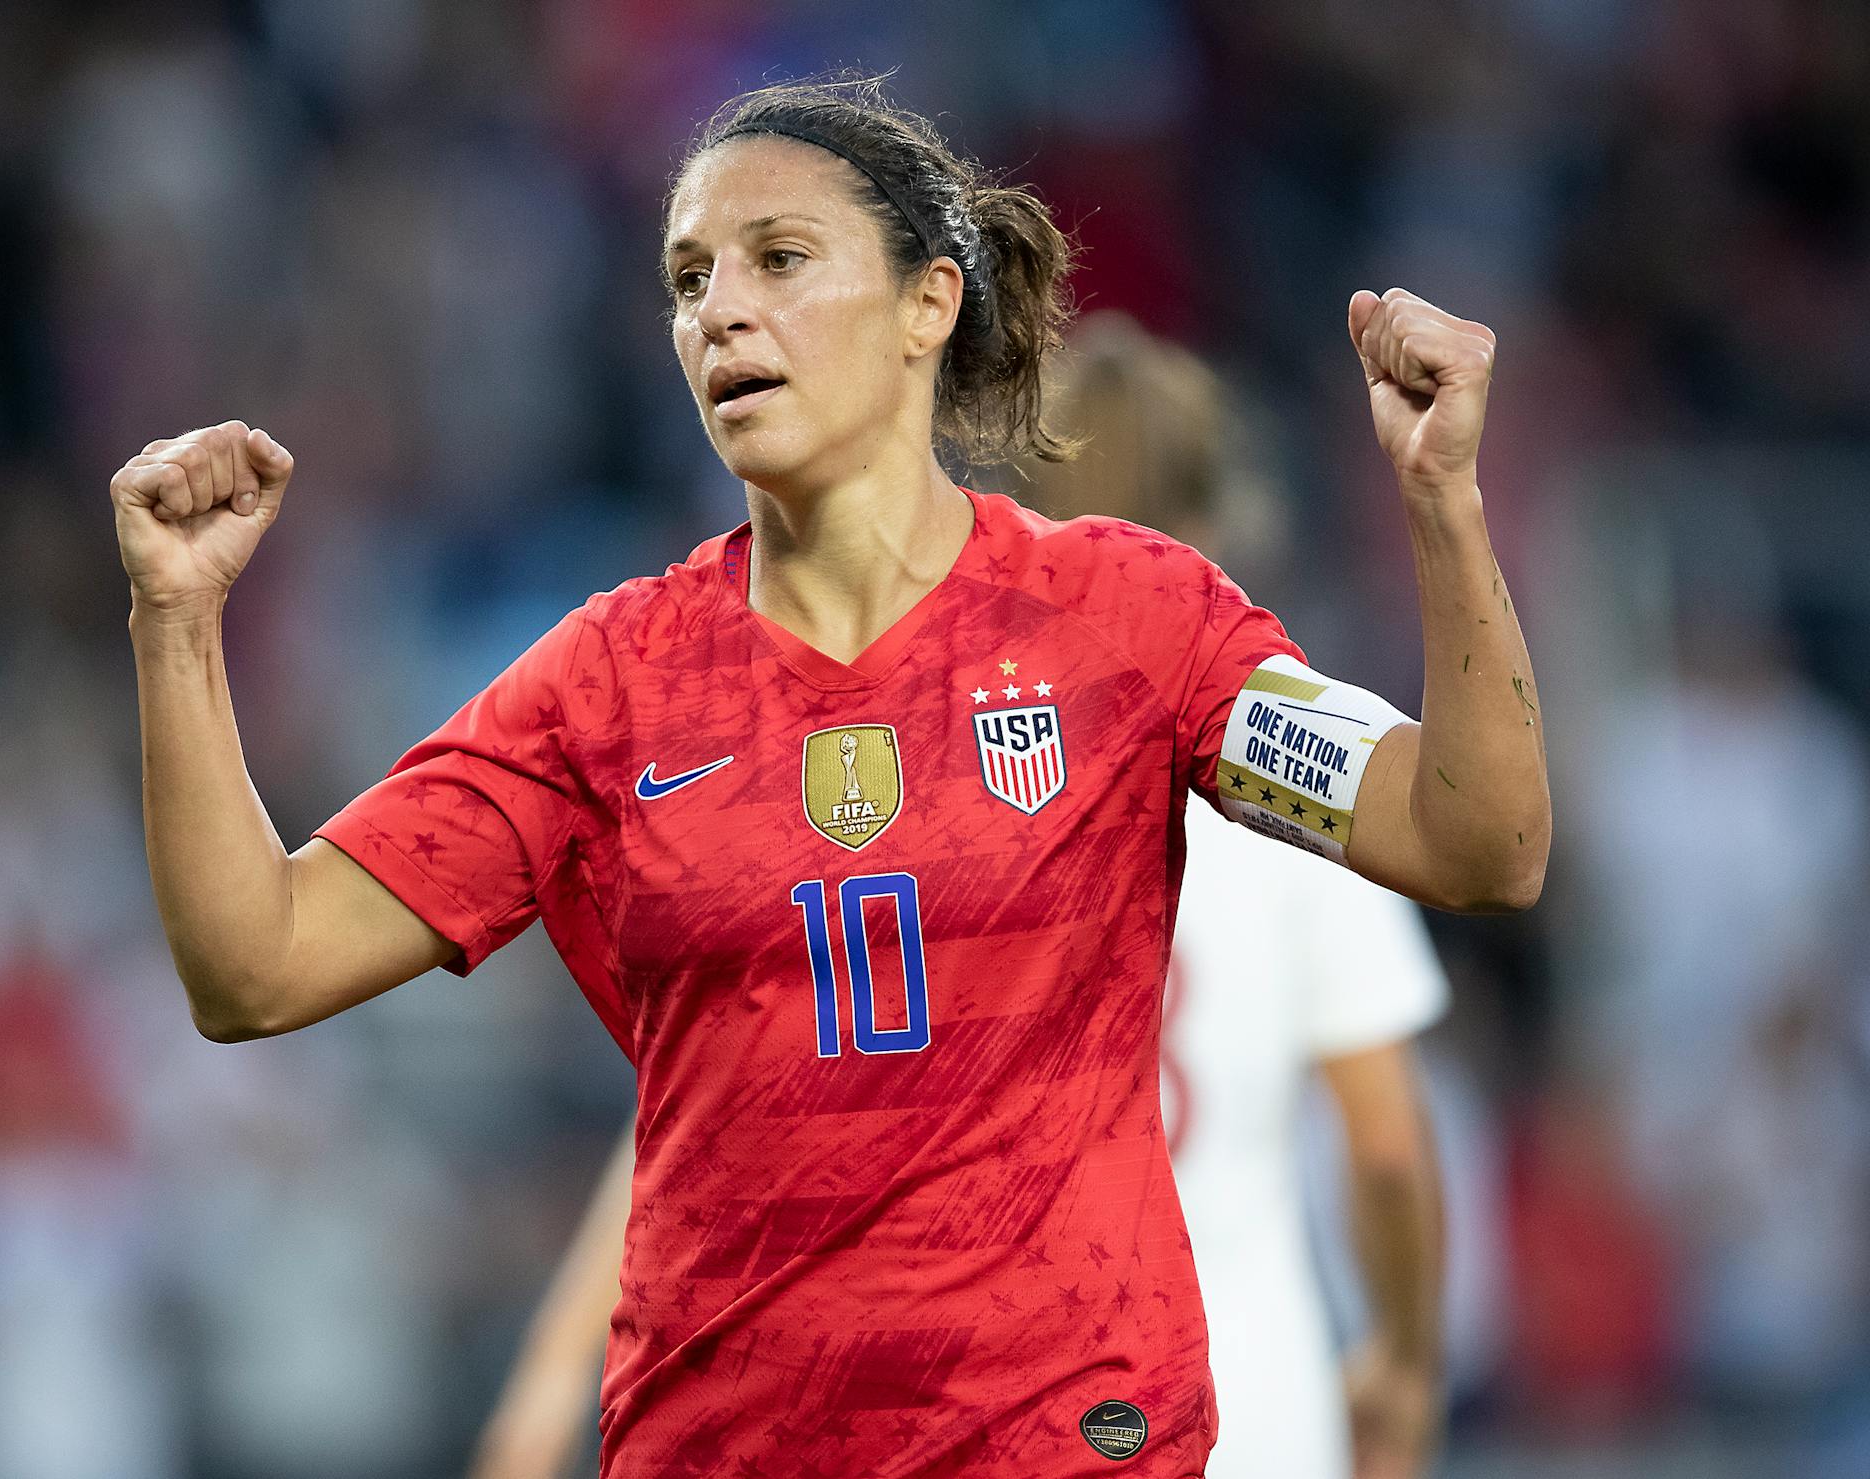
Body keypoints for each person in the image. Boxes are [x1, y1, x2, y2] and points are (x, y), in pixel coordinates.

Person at [109, 75, 1548, 1478]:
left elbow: (1477, 843)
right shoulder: (609, 682)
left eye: (780, 259)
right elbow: (258, 966)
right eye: (687, 278)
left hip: (1065, 1437)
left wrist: (1442, 503)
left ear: (930, 302)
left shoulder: (1133, 619)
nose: (718, 310)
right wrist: (174, 625)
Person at [465, 316, 1452, 1479]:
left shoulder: (946, 780)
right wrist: (1402, 1360)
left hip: (999, 1397)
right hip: (1243, 1405)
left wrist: (552, 1366)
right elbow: (1385, 1146)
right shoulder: (1295, 798)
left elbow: (721, 1102)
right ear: (1218, 520)